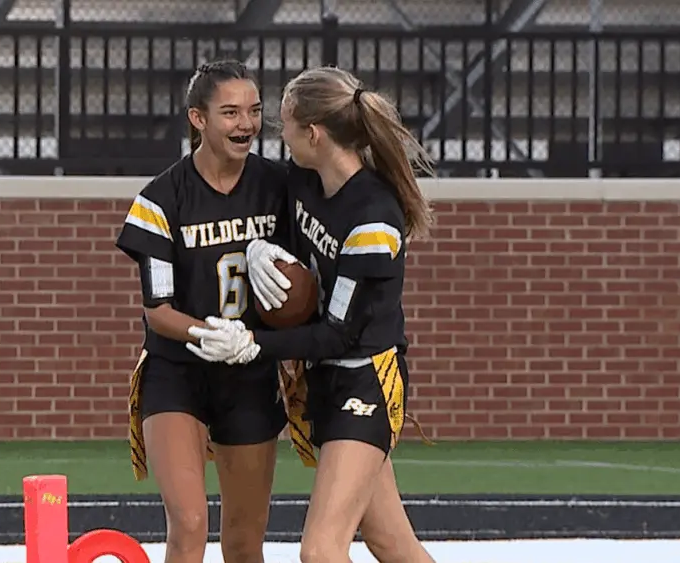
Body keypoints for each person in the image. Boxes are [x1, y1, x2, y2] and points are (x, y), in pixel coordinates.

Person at [186, 66, 438, 563]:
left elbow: (340, 335)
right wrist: (264, 250)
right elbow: (294, 257)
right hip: (324, 383)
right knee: (391, 542)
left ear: (314, 134)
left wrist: (252, 343)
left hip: (365, 382)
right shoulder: (304, 181)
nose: (277, 139)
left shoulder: (373, 217)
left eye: (284, 127)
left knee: (321, 551)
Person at [114, 59, 289, 563]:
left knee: (243, 540)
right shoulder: (161, 198)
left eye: (254, 111)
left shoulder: (277, 187)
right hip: (178, 369)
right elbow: (159, 310)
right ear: (198, 119)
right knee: (189, 525)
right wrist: (210, 334)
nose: (247, 124)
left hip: (251, 373)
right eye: (230, 112)